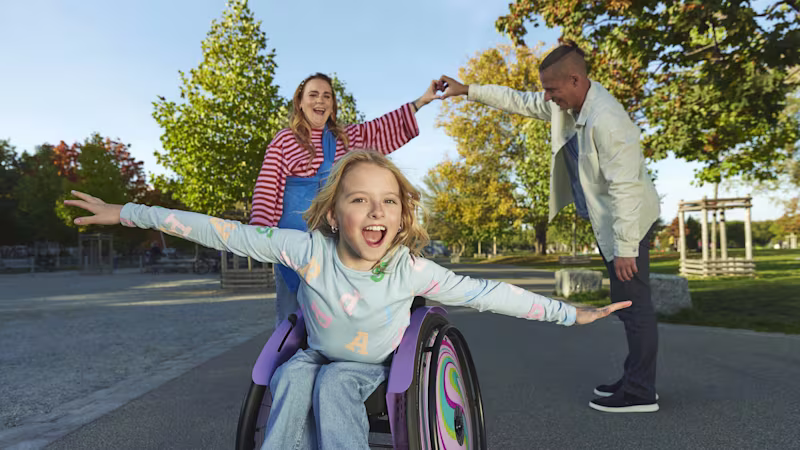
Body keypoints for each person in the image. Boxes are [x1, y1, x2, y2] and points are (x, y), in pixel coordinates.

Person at [65, 150, 631, 449]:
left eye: (388, 201)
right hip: (315, 352)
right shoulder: (306, 249)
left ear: (402, 214)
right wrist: (126, 213)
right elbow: (222, 231)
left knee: (334, 383)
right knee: (292, 376)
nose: (377, 210)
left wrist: (570, 313)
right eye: (360, 200)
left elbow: (486, 293)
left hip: (372, 367)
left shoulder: (408, 269)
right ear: (335, 214)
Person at [438, 40, 661, 413]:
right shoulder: (569, 105)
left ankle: (640, 393)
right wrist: (468, 91)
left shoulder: (609, 121)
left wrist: (625, 248)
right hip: (613, 222)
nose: (546, 97)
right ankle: (635, 379)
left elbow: (626, 190)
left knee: (635, 308)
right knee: (628, 308)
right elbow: (518, 100)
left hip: (630, 224)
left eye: (552, 90)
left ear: (575, 80)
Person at [250, 72, 440, 325]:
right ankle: (287, 363)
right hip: (294, 241)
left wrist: (421, 101)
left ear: (333, 104)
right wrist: (259, 235)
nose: (321, 100)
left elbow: (381, 128)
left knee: (339, 314)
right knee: (292, 317)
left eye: (327, 96)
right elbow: (267, 187)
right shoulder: (284, 140)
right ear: (300, 102)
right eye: (314, 94)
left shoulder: (347, 138)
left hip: (335, 240)